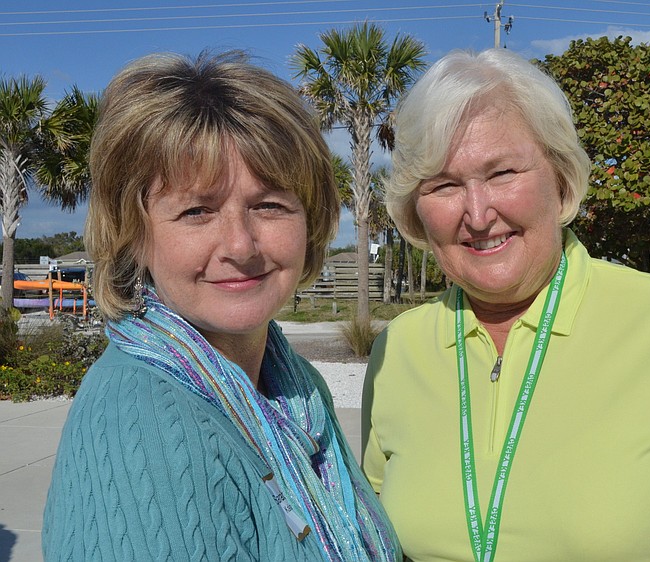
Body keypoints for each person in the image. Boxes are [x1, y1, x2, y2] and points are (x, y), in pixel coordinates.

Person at [362, 48, 650, 561]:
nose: (479, 213)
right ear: (415, 210)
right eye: (444, 185)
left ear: (561, 179)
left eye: (503, 172)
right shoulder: (396, 350)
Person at [43, 50, 400, 562]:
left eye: (269, 205)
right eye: (196, 211)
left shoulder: (293, 389)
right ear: (135, 236)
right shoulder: (146, 425)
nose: (240, 245)